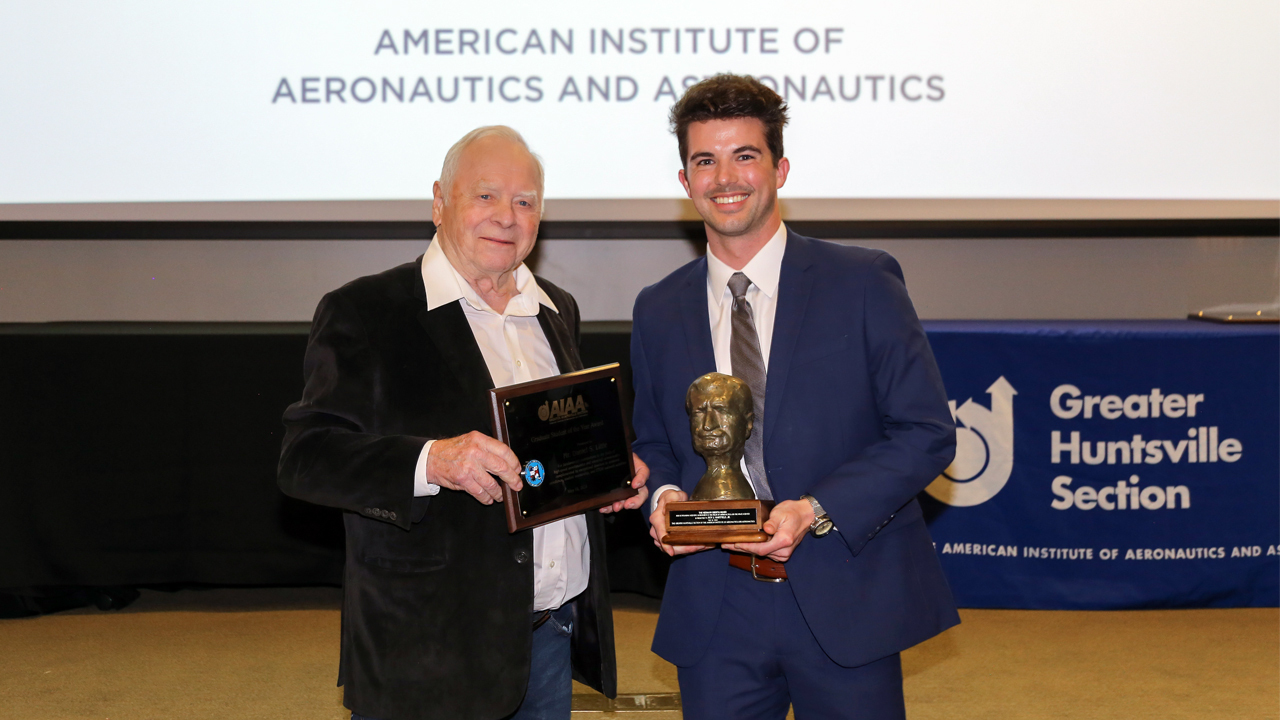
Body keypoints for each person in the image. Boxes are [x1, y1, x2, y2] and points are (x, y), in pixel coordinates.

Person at [278, 125, 650, 720]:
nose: (506, 215)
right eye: (485, 196)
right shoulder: (367, 311)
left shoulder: (555, 309)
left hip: (548, 638)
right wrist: (432, 461)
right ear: (439, 201)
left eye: (524, 201)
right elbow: (307, 459)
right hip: (430, 647)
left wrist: (602, 471)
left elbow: (547, 450)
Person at [631, 74, 959, 719]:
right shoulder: (658, 307)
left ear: (779, 168)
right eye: (705, 159)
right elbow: (653, 441)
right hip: (715, 607)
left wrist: (815, 510)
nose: (725, 177)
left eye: (744, 155)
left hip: (842, 595)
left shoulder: (862, 282)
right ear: (684, 180)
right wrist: (666, 499)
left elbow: (926, 433)